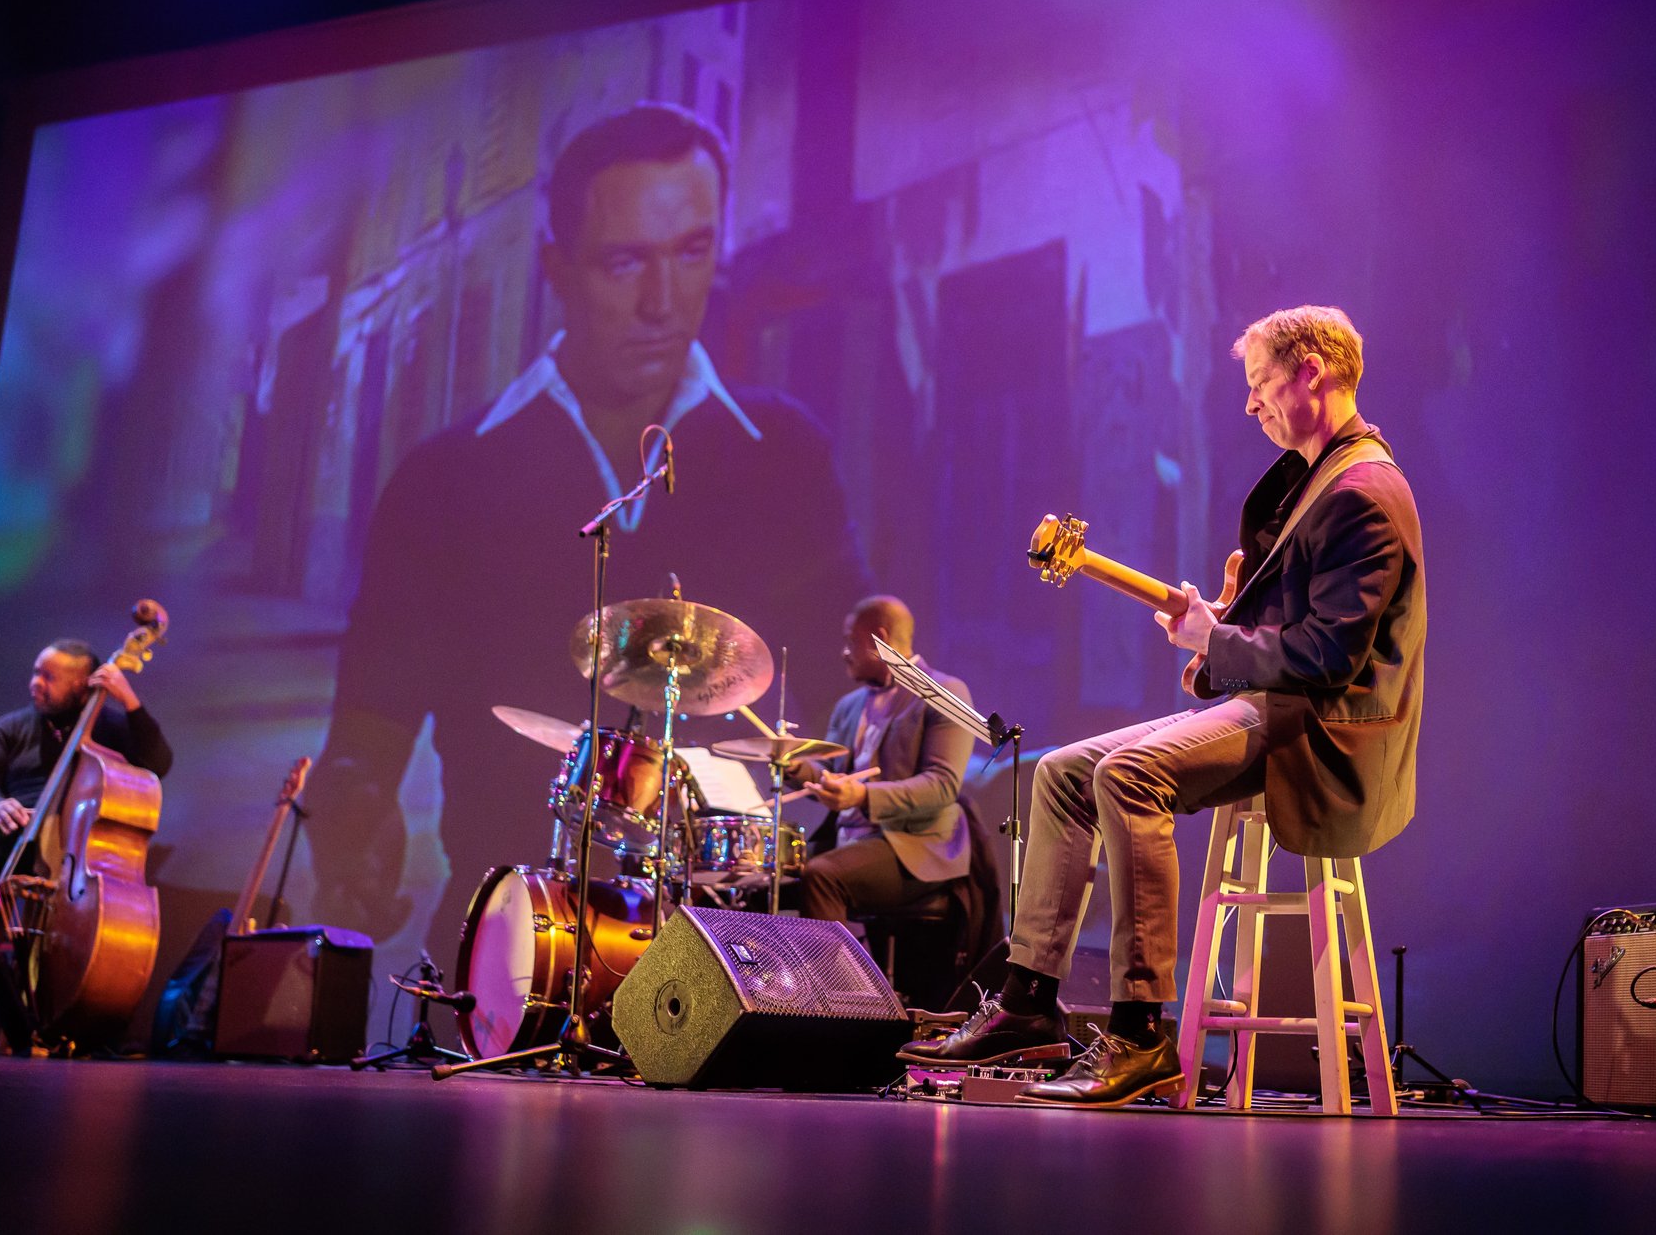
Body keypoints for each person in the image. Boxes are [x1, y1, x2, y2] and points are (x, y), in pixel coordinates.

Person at [313, 103, 870, 960]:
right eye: (624, 262)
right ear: (557, 269)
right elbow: (364, 735)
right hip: (507, 948)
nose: (663, 302)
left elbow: (850, 706)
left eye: (692, 251)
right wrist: (354, 822)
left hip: (733, 949)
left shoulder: (788, 455)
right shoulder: (444, 479)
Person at [901, 304, 1426, 1108]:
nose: (1250, 403)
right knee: (1062, 772)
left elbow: (1329, 658)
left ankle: (1140, 1030)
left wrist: (1217, 641)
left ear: (1311, 372)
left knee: (1128, 774)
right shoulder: (1314, 481)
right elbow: (1282, 635)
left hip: (1328, 730)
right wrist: (1217, 630)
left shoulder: (1364, 492)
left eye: (1260, 383)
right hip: (1280, 702)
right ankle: (1028, 1001)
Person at [0, 639, 174, 1051]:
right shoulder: (11, 727)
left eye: (49, 677)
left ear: (81, 686)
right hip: (12, 843)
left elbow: (158, 764)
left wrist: (129, 700)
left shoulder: (109, 727)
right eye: (36, 672)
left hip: (75, 851)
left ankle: (77, 1025)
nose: (36, 683)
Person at [788, 596, 974, 929]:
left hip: (915, 846)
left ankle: (829, 966)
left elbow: (942, 786)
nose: (844, 652)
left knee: (822, 876)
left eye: (851, 641)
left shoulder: (944, 693)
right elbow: (832, 776)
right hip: (851, 840)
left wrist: (862, 796)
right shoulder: (849, 706)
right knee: (762, 876)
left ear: (880, 639)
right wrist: (792, 765)